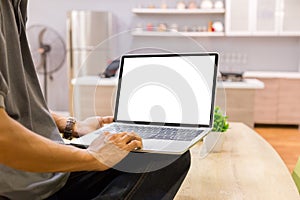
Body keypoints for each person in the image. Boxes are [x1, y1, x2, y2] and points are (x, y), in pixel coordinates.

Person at [0, 0, 191, 199]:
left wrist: (71, 125)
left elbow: (16, 106)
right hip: (20, 185)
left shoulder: (16, 6)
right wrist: (93, 156)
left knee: (169, 156)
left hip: (44, 174)